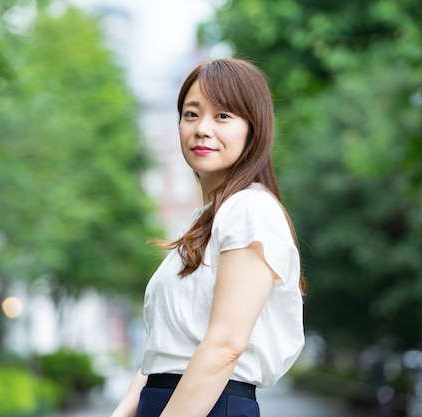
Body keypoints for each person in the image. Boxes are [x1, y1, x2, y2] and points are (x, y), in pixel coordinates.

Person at [111, 58, 306, 417]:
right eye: (191, 114)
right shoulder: (206, 220)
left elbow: (225, 347)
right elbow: (164, 352)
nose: (202, 129)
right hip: (169, 401)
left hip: (211, 405)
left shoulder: (250, 210)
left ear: (254, 127)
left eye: (223, 116)